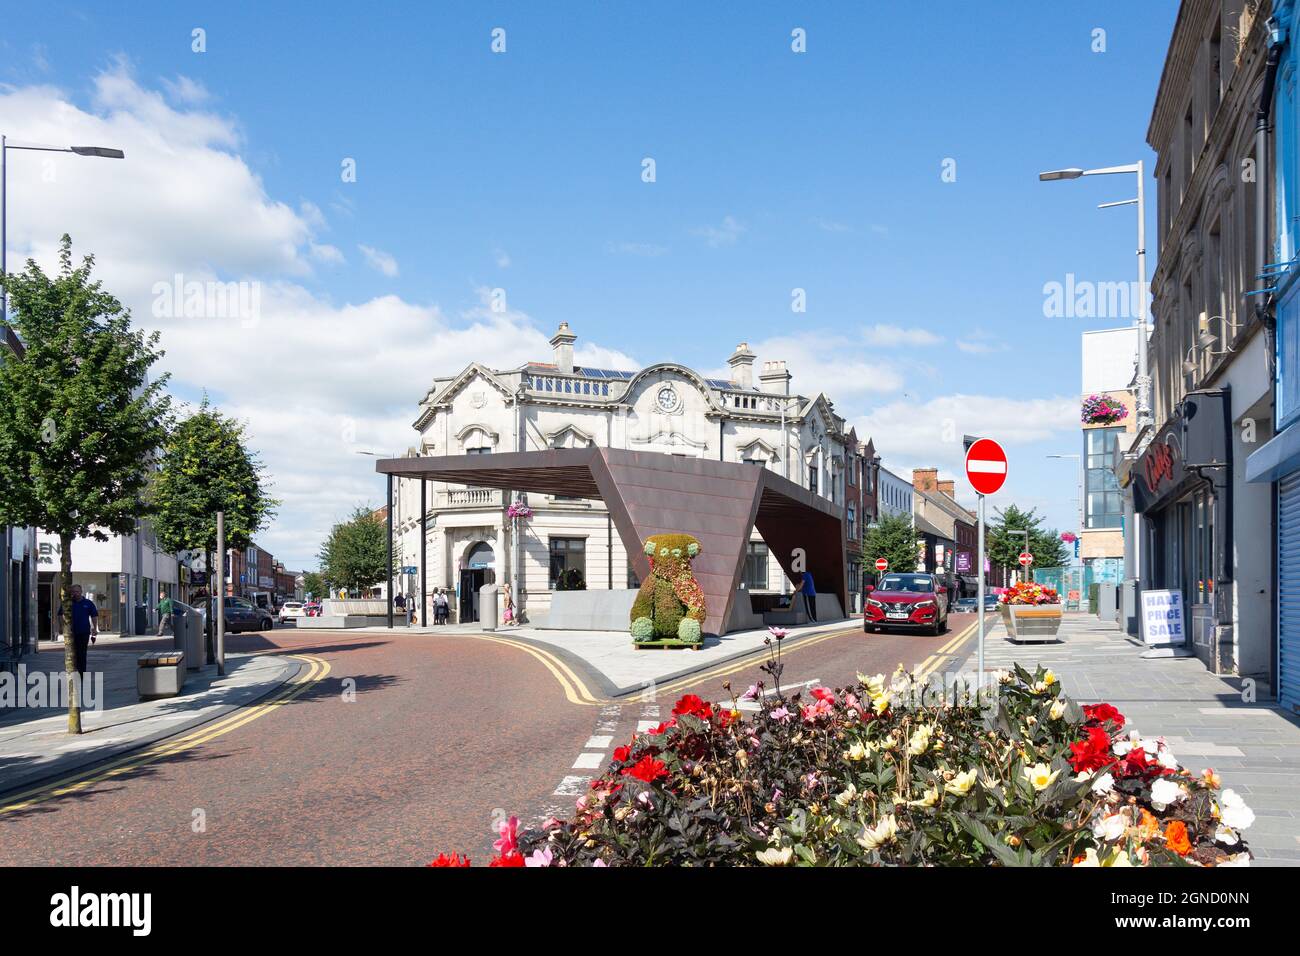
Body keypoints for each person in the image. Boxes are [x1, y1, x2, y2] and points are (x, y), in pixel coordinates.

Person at [55, 584, 99, 676]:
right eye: (73, 592)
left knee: (82, 653)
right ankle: (72, 672)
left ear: (81, 592)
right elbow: (60, 614)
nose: (75, 593)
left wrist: (94, 628)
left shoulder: (88, 603)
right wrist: (61, 626)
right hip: (70, 633)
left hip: (84, 632)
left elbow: (94, 615)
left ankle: (82, 673)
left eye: (77, 591)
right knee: (71, 654)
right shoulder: (68, 603)